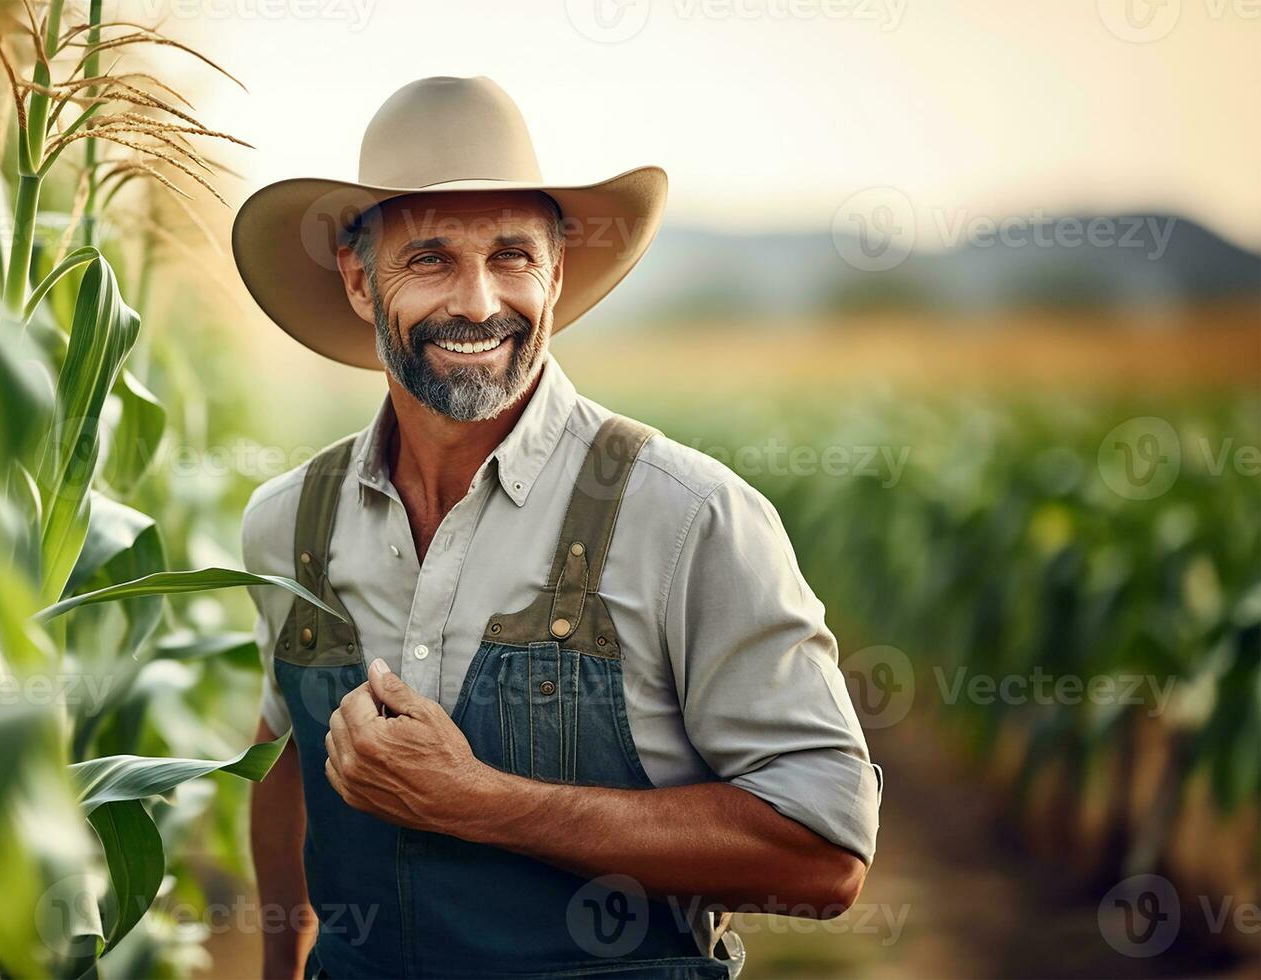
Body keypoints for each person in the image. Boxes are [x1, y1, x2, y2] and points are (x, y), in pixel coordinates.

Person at [232, 75, 881, 979]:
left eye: (511, 257)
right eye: (428, 260)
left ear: (557, 272)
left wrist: (483, 803)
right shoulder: (286, 523)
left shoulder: (687, 518)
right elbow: (286, 759)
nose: (476, 302)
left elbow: (823, 856)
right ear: (354, 278)